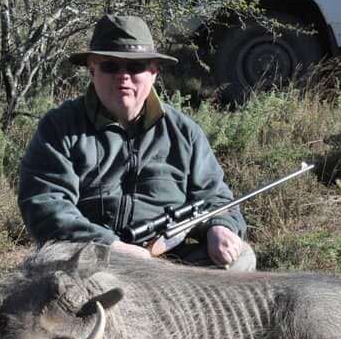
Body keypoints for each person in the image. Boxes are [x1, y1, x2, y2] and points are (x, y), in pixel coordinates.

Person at [18, 14, 256, 271]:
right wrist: (110, 246)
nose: (123, 76)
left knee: (241, 257)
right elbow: (46, 204)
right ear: (92, 70)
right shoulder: (59, 127)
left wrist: (219, 227)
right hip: (89, 259)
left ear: (153, 72)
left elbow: (216, 199)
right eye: (110, 66)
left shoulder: (185, 132)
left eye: (135, 67)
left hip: (169, 263)